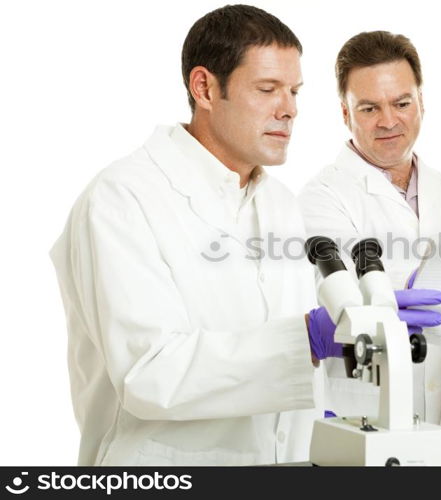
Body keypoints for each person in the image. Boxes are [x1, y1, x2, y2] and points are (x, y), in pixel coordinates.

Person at [49, 4, 386, 466]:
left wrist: (362, 325)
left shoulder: (281, 204)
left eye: (294, 91)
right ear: (204, 87)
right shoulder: (121, 199)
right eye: (267, 89)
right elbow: (148, 374)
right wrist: (302, 340)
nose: (288, 109)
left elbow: (293, 365)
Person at [298, 31, 441, 422]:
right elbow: (346, 303)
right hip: (364, 409)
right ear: (345, 114)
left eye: (402, 103)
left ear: (422, 103)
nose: (389, 121)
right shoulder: (321, 197)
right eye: (369, 108)